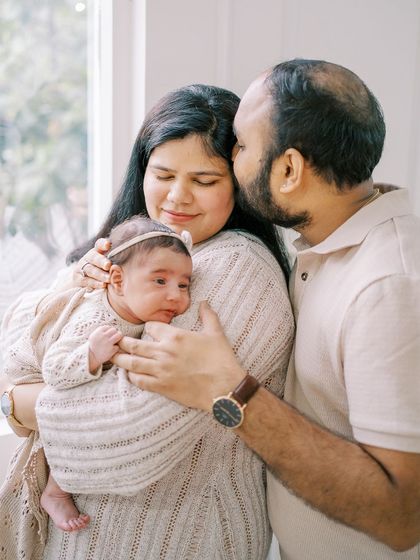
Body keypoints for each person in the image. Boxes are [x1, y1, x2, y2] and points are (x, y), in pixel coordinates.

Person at [106, 60, 420, 559]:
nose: (233, 158)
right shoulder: (323, 251)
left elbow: (403, 516)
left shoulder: (388, 284)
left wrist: (229, 392)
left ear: (289, 169)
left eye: (243, 146)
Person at [0, 84, 294, 560]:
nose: (177, 197)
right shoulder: (132, 250)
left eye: (204, 180)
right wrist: (75, 283)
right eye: (162, 174)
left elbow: (126, 427)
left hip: (180, 542)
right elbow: (16, 348)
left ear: (239, 183)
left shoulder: (236, 267)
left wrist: (17, 404)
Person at [1, 216, 192, 543]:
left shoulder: (135, 310)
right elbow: (55, 371)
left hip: (58, 374)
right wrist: (91, 354)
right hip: (31, 368)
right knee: (83, 403)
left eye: (184, 284)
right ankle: (56, 492)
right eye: (160, 281)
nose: (175, 295)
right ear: (117, 279)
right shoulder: (95, 318)